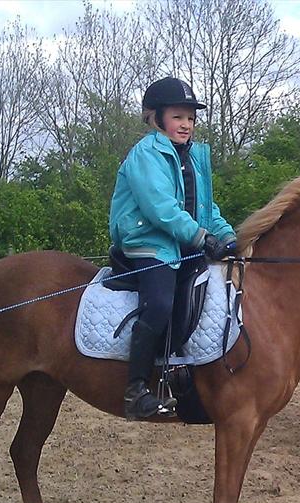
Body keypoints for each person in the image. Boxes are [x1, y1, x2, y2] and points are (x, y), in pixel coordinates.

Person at [109, 77, 238, 420]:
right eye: (178, 117)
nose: (186, 125)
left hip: (182, 245)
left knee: (210, 298)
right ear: (157, 117)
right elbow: (160, 208)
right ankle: (136, 389)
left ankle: (187, 381)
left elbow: (205, 208)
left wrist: (226, 236)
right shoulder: (147, 154)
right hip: (148, 244)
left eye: (190, 119)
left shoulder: (192, 158)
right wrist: (201, 238)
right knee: (161, 304)